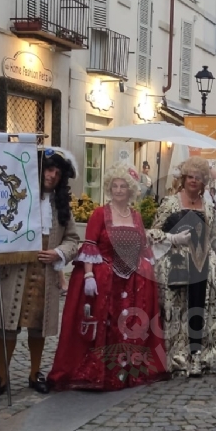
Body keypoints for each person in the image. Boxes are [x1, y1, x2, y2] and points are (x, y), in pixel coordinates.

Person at [48, 162, 168, 390]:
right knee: (104, 325)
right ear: (109, 188)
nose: (119, 190)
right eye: (115, 186)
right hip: (105, 278)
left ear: (131, 190)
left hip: (132, 280)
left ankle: (125, 372)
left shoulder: (135, 215)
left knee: (127, 325)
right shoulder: (100, 214)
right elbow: (90, 246)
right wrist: (89, 277)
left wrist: (143, 273)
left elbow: (142, 247)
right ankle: (100, 373)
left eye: (123, 186)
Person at [0, 148, 81, 397]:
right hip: (15, 270)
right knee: (7, 326)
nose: (53, 176)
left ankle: (35, 372)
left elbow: (73, 239)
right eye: (49, 169)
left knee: (38, 325)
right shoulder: (16, 198)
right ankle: (2, 376)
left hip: (45, 274)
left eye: (58, 172)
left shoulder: (61, 207)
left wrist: (58, 253)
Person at [150, 156, 216, 376]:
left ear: (204, 182)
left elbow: (215, 236)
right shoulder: (170, 203)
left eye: (199, 178)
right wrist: (173, 239)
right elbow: (153, 233)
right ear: (183, 179)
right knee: (178, 311)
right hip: (177, 265)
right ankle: (179, 357)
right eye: (190, 177)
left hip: (204, 264)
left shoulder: (209, 207)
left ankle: (199, 356)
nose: (194, 181)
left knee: (200, 309)